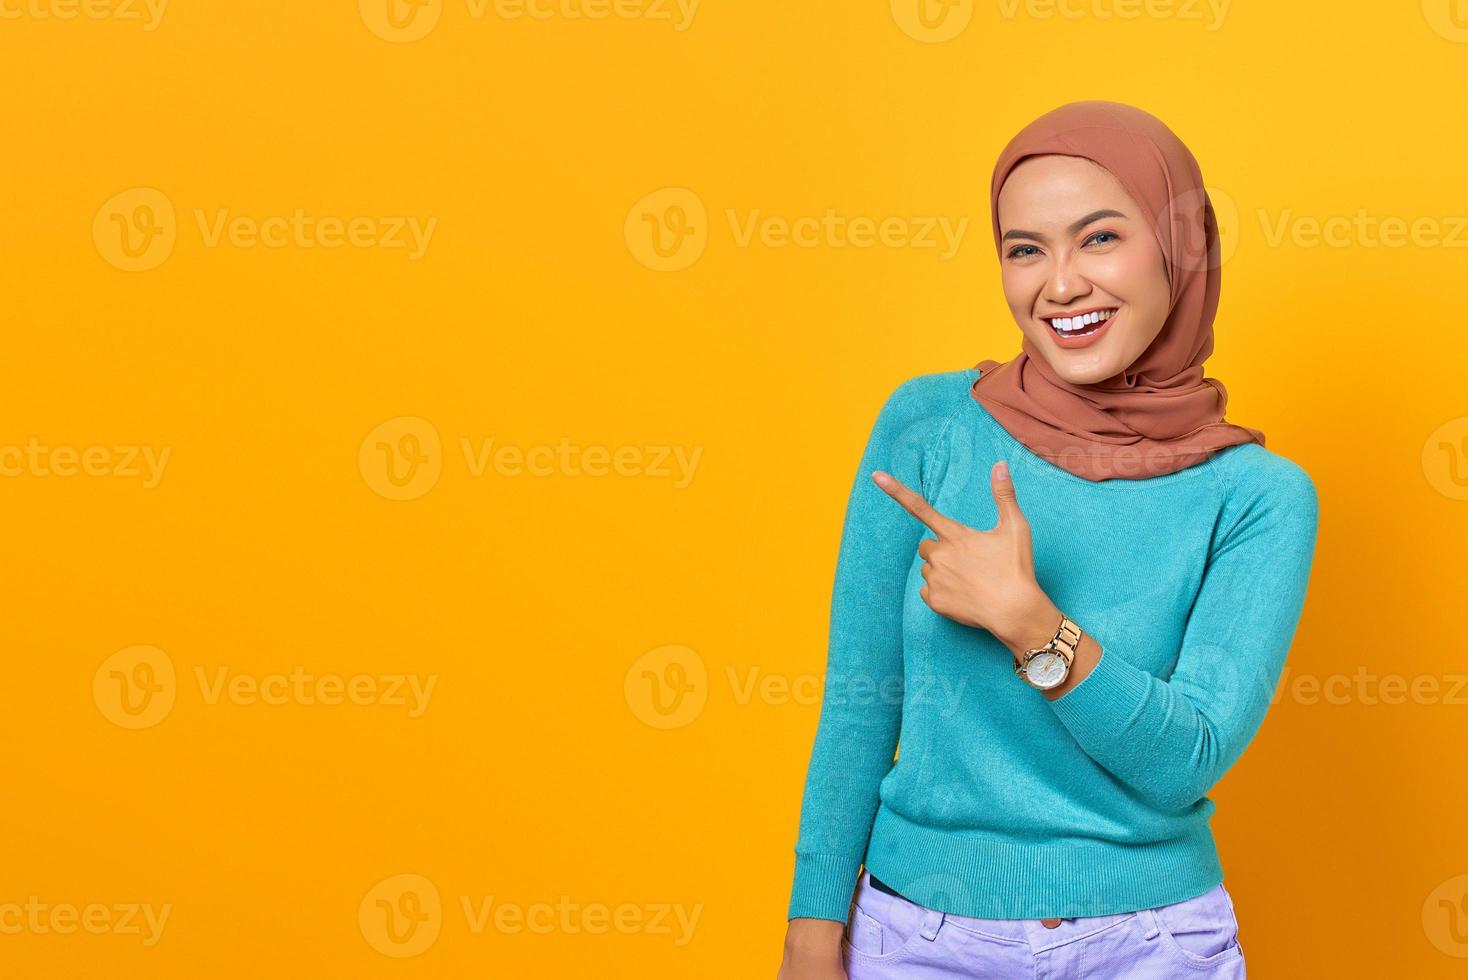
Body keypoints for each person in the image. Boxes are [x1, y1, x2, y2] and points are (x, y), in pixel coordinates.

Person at [775, 100, 1319, 979]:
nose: (1059, 285)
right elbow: (858, 705)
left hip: (1151, 948)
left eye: (1099, 239)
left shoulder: (1256, 497)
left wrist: (1031, 624)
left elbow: (1187, 759)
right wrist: (810, 931)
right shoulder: (931, 426)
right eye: (1025, 248)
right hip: (917, 944)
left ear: (1180, 250)